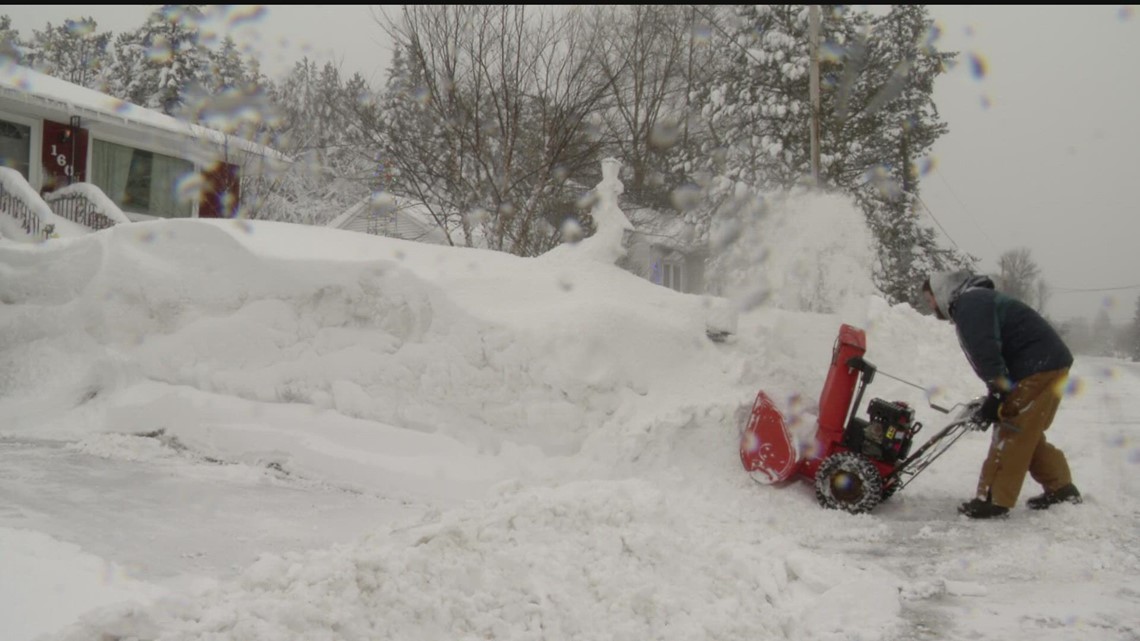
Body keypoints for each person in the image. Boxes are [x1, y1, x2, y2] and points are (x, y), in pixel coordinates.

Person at [922, 270, 1082, 519]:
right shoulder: (975, 301)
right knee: (1025, 428)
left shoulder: (970, 304)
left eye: (929, 299)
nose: (930, 306)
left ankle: (993, 499)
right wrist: (996, 391)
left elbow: (987, 350)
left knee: (1012, 428)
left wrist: (997, 394)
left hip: (1038, 366)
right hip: (1045, 364)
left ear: (939, 293)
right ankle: (1061, 488)